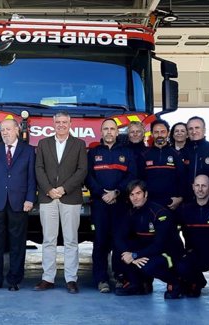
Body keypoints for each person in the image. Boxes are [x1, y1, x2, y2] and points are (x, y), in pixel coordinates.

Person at [33, 111, 87, 294]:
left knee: (71, 240)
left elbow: (82, 170)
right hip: (47, 197)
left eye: (65, 122)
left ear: (70, 123)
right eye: (58, 122)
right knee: (49, 239)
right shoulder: (43, 143)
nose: (61, 125)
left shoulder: (79, 144)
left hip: (70, 197)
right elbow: (38, 168)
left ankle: (71, 279)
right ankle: (48, 278)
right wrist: (49, 189)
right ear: (53, 123)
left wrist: (63, 189)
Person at [0, 119, 36, 292]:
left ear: (17, 130)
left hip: (19, 203)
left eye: (8, 129)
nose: (4, 132)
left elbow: (31, 178)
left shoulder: (28, 150)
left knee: (17, 243)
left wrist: (30, 199)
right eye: (2, 130)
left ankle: (14, 279)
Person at [85, 118, 137, 293]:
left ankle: (120, 276)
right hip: (100, 204)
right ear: (101, 132)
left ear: (117, 132)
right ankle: (101, 279)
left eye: (112, 129)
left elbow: (132, 175)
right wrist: (101, 194)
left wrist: (116, 192)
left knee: (119, 241)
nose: (109, 132)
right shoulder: (93, 153)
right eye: (106, 129)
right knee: (100, 241)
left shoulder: (127, 152)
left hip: (120, 203)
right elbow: (88, 177)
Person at [114, 180, 184, 298]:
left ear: (145, 194)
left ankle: (175, 282)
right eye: (132, 195)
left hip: (167, 253)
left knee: (148, 265)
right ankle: (136, 284)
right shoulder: (131, 213)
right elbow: (119, 237)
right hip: (147, 250)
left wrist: (135, 255)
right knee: (119, 253)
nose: (135, 198)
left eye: (138, 193)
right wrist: (129, 255)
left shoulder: (159, 213)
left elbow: (159, 245)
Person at [141, 119, 184, 209]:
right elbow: (140, 179)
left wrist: (180, 198)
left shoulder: (177, 154)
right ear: (152, 134)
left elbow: (182, 178)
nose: (159, 135)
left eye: (163, 132)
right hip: (149, 203)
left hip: (171, 203)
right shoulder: (144, 154)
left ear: (168, 133)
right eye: (156, 132)